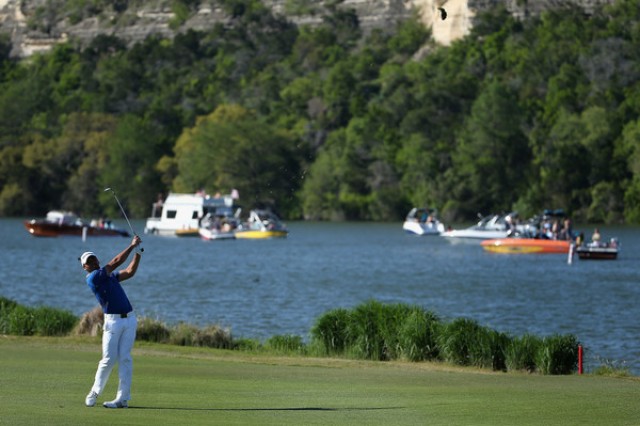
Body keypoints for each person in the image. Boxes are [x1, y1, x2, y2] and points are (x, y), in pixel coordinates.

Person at [81, 235, 142, 409]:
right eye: (89, 262)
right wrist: (131, 246)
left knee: (125, 359)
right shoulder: (93, 278)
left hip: (129, 320)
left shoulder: (110, 277)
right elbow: (116, 261)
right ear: (85, 267)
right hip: (113, 323)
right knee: (108, 359)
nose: (93, 263)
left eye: (94, 259)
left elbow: (129, 271)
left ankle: (122, 399)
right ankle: (94, 392)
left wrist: (137, 253)